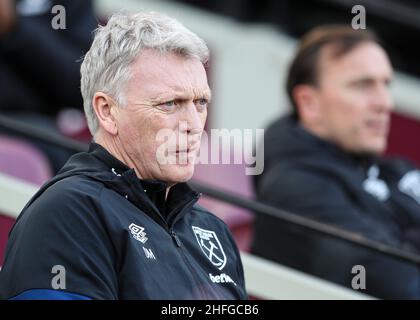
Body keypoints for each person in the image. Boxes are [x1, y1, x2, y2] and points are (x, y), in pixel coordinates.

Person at [0, 12, 247, 300]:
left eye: (201, 102)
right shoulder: (68, 214)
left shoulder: (212, 228)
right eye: (170, 103)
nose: (193, 124)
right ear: (107, 111)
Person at [251, 25, 420, 299]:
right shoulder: (296, 188)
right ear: (309, 103)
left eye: (385, 84)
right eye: (363, 85)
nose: (384, 103)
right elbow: (401, 285)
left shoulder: (394, 170)